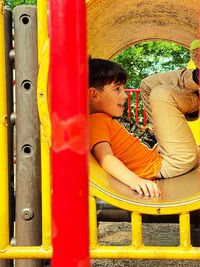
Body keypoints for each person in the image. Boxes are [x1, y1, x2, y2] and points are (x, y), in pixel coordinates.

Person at [88, 41, 199, 197]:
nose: (125, 95)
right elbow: (105, 158)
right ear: (93, 94)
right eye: (117, 89)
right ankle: (194, 102)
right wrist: (135, 181)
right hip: (170, 161)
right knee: (161, 94)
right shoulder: (95, 122)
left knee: (147, 85)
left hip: (163, 149)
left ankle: (195, 79)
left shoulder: (108, 117)